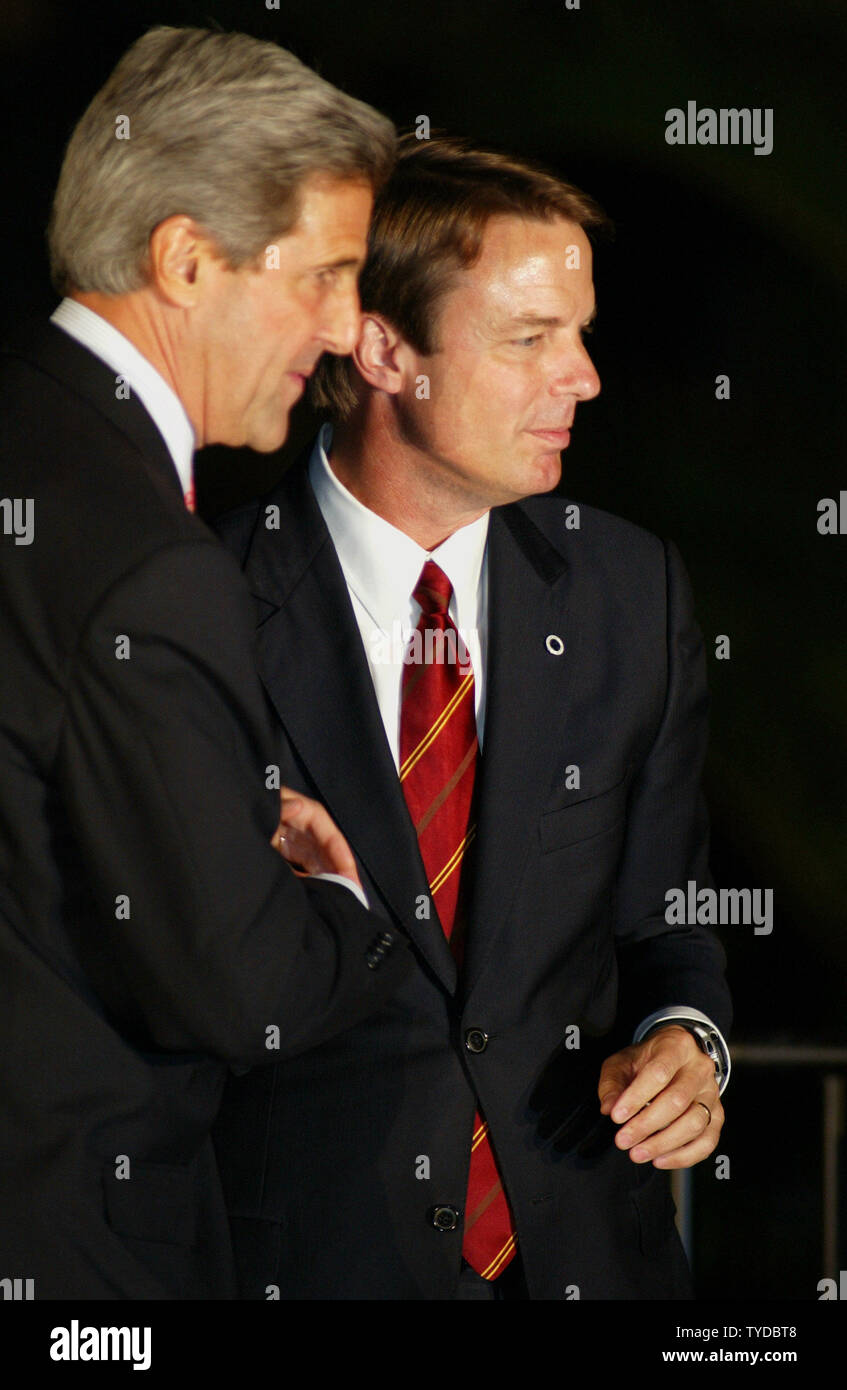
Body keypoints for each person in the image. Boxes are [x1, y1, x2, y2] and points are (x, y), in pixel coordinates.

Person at [213, 136, 732, 1301]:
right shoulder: (197, 612)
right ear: (387, 348)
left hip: (594, 1263)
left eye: (581, 331)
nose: (585, 376)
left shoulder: (630, 594)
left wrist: (688, 1043)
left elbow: (668, 923)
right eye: (532, 337)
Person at [0, 26, 411, 1300]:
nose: (349, 331)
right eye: (327, 275)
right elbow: (246, 993)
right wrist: (338, 901)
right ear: (186, 259)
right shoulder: (154, 563)